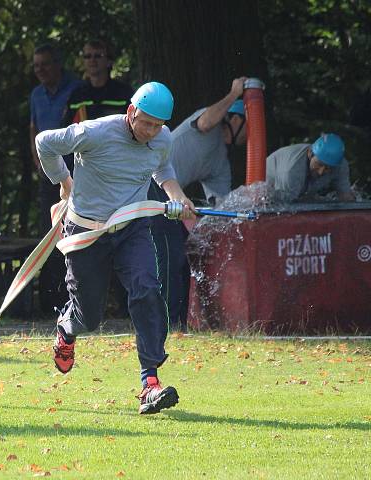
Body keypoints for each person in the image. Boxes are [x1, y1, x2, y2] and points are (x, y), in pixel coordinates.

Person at [36, 82, 195, 415]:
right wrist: (65, 182)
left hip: (131, 228)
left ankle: (150, 383)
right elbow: (44, 142)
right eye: (146, 122)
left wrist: (176, 196)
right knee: (89, 317)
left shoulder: (161, 139)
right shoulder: (95, 132)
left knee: (147, 290)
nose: (151, 132)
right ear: (131, 111)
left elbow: (162, 167)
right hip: (86, 232)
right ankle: (68, 326)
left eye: (158, 125)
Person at [147, 77, 248, 331]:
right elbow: (207, 120)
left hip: (173, 198)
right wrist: (234, 93)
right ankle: (166, 324)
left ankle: (178, 323)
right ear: (235, 119)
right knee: (170, 257)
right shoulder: (206, 122)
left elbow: (221, 202)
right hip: (151, 186)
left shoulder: (220, 163)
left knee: (181, 258)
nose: (251, 135)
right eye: (251, 126)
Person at [62, 39, 136, 319]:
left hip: (118, 177)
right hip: (83, 179)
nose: (92, 60)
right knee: (82, 242)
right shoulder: (77, 94)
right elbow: (65, 135)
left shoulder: (123, 93)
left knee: (121, 236)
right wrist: (65, 179)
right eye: (87, 55)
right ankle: (78, 307)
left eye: (98, 55)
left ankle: (123, 305)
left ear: (109, 60)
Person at [29, 43, 84, 314]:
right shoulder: (36, 94)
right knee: (47, 232)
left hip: (74, 171)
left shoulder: (75, 89)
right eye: (36, 65)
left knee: (74, 231)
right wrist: (38, 161)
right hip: (47, 173)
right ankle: (47, 301)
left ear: (57, 64)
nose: (40, 70)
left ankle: (72, 298)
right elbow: (34, 128)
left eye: (45, 64)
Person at [266, 133, 355, 202]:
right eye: (319, 164)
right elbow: (284, 207)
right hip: (268, 178)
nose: (321, 172)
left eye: (328, 168)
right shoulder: (292, 171)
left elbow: (346, 197)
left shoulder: (340, 166)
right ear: (310, 154)